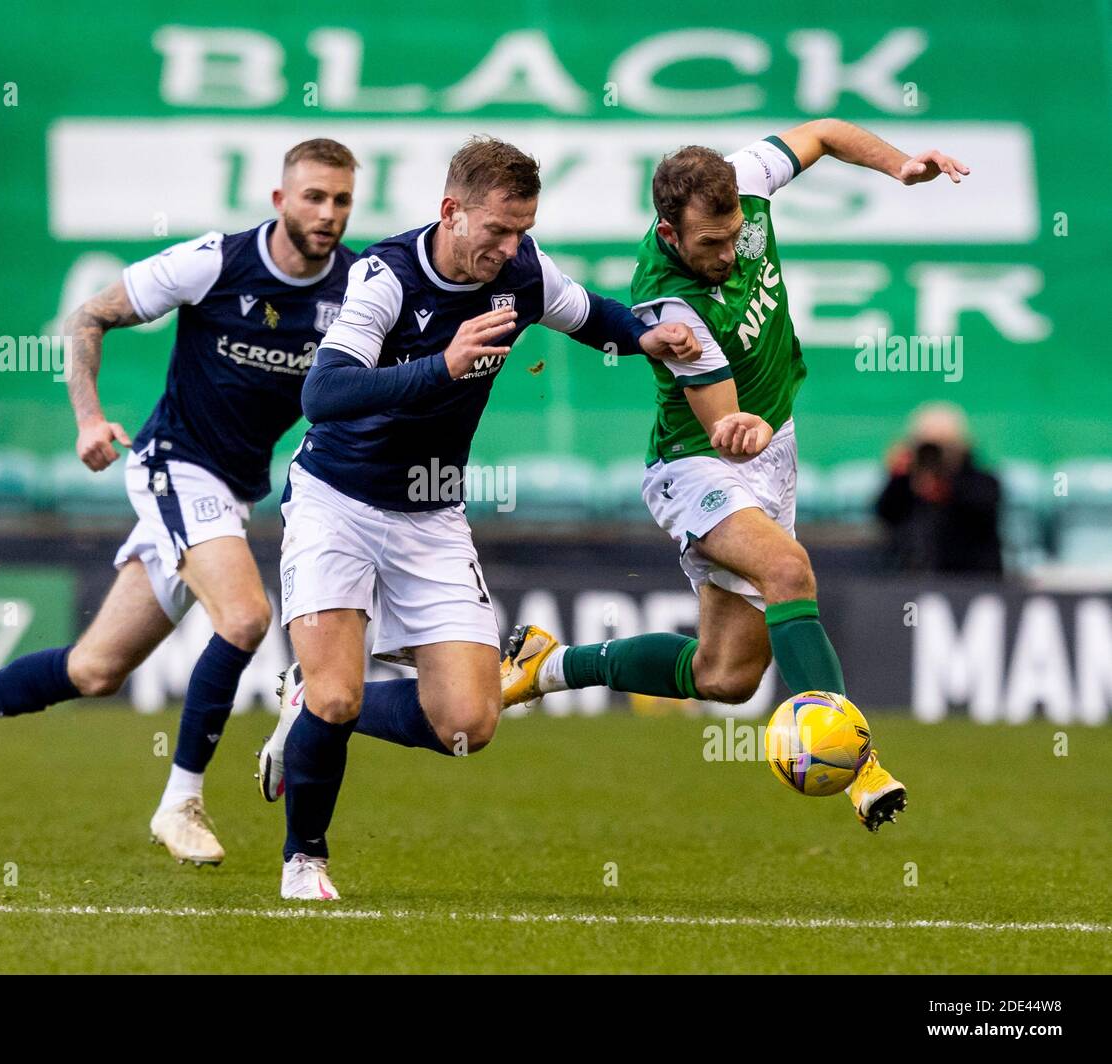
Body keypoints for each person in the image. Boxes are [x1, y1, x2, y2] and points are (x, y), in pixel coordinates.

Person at [255, 136, 705, 900]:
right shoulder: (384, 277)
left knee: (469, 723)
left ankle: (307, 702)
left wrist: (642, 336)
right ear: (450, 212)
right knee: (341, 693)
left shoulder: (522, 272)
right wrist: (442, 366)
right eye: (495, 229)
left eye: (521, 229)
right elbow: (321, 396)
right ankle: (306, 860)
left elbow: (589, 313)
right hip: (337, 502)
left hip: (430, 513)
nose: (509, 246)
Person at [0, 140, 359, 866]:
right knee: (244, 617)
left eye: (340, 200)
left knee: (94, 671)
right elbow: (89, 317)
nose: (327, 213)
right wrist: (87, 418)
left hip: (232, 495)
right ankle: (180, 802)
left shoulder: (356, 287)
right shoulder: (215, 262)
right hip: (174, 466)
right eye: (314, 197)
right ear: (279, 200)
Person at [501, 120, 972, 832]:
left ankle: (551, 664)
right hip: (699, 464)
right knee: (788, 571)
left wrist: (902, 166)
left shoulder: (744, 180)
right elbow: (720, 421)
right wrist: (736, 427)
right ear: (668, 232)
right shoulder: (665, 299)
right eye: (708, 245)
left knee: (725, 676)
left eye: (732, 238)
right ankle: (860, 763)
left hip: (773, 449)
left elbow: (825, 133)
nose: (725, 255)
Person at [876, 402, 1003, 574]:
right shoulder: (907, 482)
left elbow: (982, 507)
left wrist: (948, 486)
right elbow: (886, 513)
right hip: (911, 579)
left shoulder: (982, 481)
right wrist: (898, 477)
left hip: (970, 578)